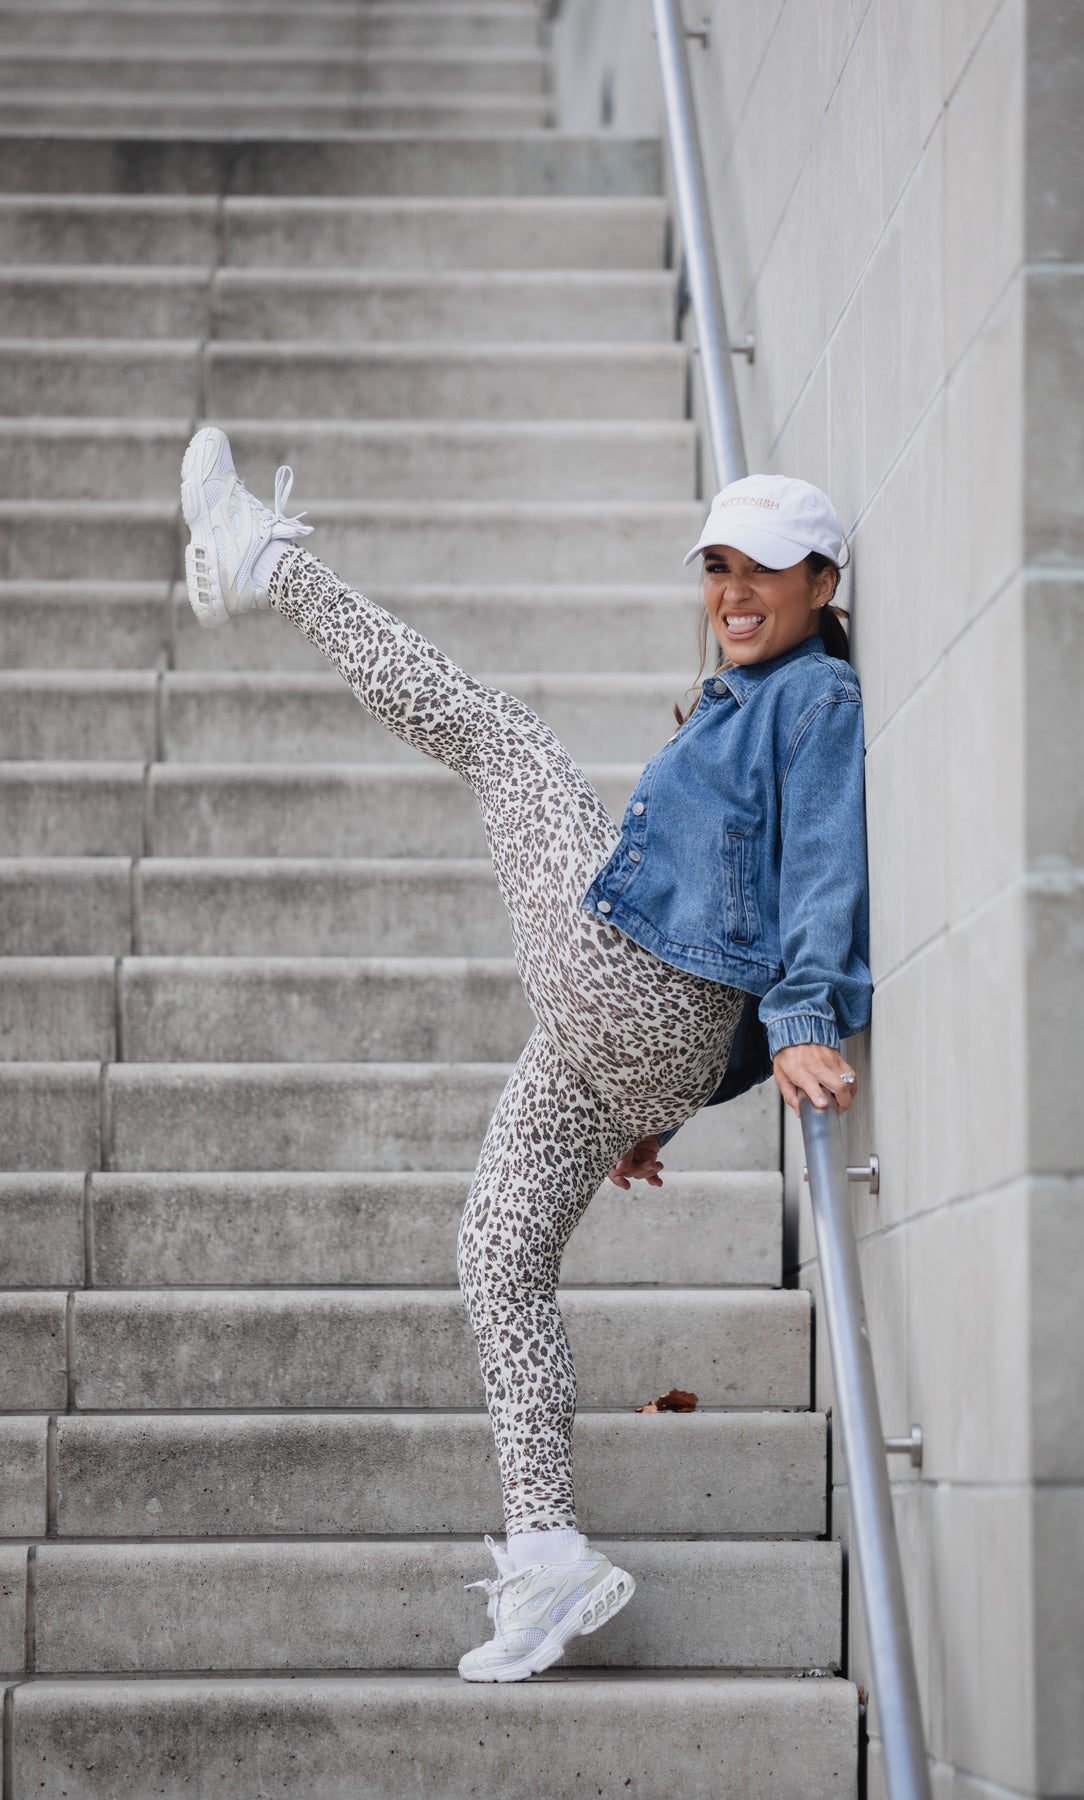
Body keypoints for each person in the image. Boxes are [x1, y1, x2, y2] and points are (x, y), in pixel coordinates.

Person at [179, 428, 872, 1683]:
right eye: (716, 567)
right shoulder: (733, 697)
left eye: (763, 570)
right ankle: (548, 1554)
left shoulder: (811, 697)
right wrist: (656, 1106)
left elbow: (821, 868)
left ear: (825, 584)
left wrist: (805, 1018)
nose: (731, 592)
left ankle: (269, 561)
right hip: (617, 1039)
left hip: (636, 991)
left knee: (508, 745)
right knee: (496, 1254)